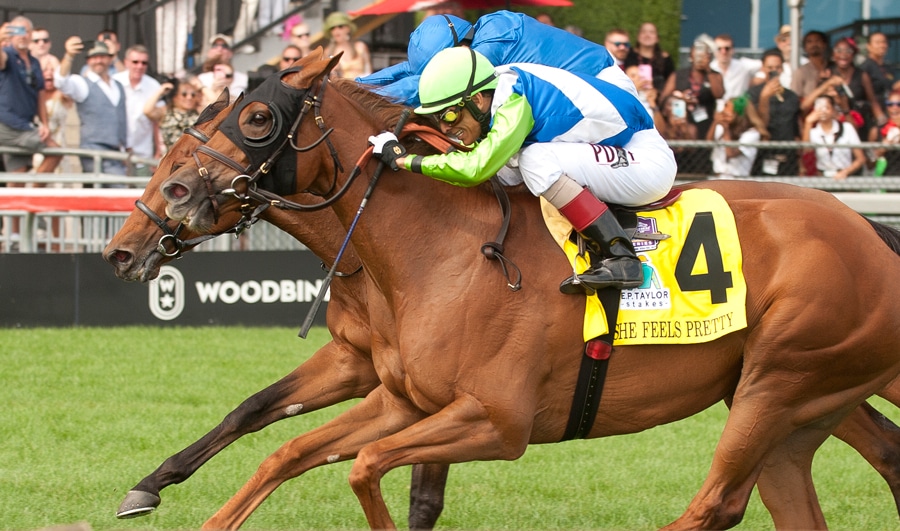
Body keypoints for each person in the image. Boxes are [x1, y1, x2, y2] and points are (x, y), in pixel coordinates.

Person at [369, 48, 676, 293]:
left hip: (644, 161)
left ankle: (621, 257)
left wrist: (404, 161)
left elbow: (475, 168)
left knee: (533, 161)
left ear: (477, 99)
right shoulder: (496, 93)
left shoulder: (513, 102)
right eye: (439, 119)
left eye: (450, 114)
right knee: (509, 169)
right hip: (620, 149)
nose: (447, 127)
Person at [356, 12, 633, 109]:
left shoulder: (491, 45)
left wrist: (351, 99)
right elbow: (411, 70)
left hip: (607, 89)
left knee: (531, 162)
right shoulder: (477, 33)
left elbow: (423, 86)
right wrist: (352, 84)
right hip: (585, 90)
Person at [56, 38, 128, 180]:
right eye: (94, 57)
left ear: (109, 59)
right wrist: (69, 56)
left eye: (102, 56)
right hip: (92, 149)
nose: (98, 61)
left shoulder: (118, 85)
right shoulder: (82, 83)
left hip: (117, 151)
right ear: (88, 61)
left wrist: (126, 146)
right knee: (118, 186)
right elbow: (61, 82)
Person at [0, 17, 62, 182]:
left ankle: (26, 202)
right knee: (55, 151)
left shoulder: (34, 62)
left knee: (17, 179)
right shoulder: (7, 54)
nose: (22, 35)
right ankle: (35, 193)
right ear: (10, 34)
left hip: (24, 125)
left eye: (25, 31)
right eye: (16, 31)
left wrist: (45, 125)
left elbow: (40, 95)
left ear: (30, 35)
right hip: (8, 126)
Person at [746, 48, 801, 176]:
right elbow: (758, 125)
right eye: (769, 67)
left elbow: (795, 126)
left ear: (782, 69)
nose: (773, 71)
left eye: (777, 67)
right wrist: (764, 98)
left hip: (787, 154)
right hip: (762, 154)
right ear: (763, 68)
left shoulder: (791, 96)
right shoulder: (753, 94)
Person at [660, 35, 724, 141]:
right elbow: (663, 99)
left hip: (706, 124)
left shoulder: (715, 75)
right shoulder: (678, 75)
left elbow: (719, 94)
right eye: (697, 54)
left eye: (704, 54)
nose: (700, 57)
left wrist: (708, 70)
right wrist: (680, 98)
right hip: (681, 123)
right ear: (691, 56)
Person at [113, 44, 162, 175]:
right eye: (135, 62)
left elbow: (157, 121)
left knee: (141, 194)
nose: (139, 66)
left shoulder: (153, 86)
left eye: (144, 63)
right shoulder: (114, 82)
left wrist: (158, 151)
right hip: (116, 154)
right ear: (126, 62)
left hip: (144, 154)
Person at [802, 94, 866, 180]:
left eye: (826, 108)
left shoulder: (847, 128)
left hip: (844, 177)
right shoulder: (813, 132)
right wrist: (808, 123)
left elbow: (860, 159)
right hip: (823, 178)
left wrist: (845, 172)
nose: (823, 111)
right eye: (819, 108)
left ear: (833, 110)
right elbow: (806, 150)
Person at [708, 96, 766, 177]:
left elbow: (731, 153)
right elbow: (708, 144)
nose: (724, 111)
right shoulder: (722, 126)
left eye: (727, 108)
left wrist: (726, 130)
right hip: (717, 177)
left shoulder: (752, 134)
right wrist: (715, 122)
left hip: (737, 179)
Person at [143, 78, 200, 152]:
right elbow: (147, 111)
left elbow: (216, 106)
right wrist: (161, 91)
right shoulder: (166, 111)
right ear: (175, 96)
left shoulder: (199, 112)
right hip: (170, 159)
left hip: (192, 159)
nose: (189, 98)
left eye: (193, 95)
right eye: (184, 94)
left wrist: (203, 87)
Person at [624, 22, 675, 96]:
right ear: (638, 36)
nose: (647, 35)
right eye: (643, 32)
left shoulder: (665, 58)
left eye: (651, 32)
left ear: (657, 38)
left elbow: (671, 82)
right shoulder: (628, 55)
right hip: (632, 95)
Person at [196, 34, 248, 101]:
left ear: (230, 53)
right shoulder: (201, 79)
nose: (219, 49)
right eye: (215, 46)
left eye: (224, 46)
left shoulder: (243, 78)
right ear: (209, 52)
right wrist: (212, 90)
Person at [711, 33, 760, 102]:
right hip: (716, 110)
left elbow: (767, 64)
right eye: (719, 49)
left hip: (739, 109)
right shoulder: (709, 69)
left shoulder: (743, 65)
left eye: (727, 48)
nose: (723, 52)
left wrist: (760, 77)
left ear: (732, 50)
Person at [323, 11, 371, 80]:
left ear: (348, 28)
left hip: (362, 87)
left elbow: (369, 71)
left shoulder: (361, 47)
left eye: (340, 26)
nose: (336, 30)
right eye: (332, 28)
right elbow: (328, 79)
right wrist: (335, 72)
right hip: (341, 88)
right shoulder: (328, 51)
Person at [791, 30, 831, 105]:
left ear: (825, 44)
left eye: (817, 41)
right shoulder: (800, 72)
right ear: (805, 48)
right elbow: (795, 99)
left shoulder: (833, 67)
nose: (814, 44)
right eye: (809, 42)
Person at [860, 32, 895, 104]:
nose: (882, 45)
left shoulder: (888, 67)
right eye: (878, 42)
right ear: (868, 46)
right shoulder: (865, 67)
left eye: (884, 42)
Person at [871, 90, 900, 176]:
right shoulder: (877, 131)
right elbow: (869, 163)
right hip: (887, 181)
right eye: (890, 104)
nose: (894, 107)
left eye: (898, 104)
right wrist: (880, 151)